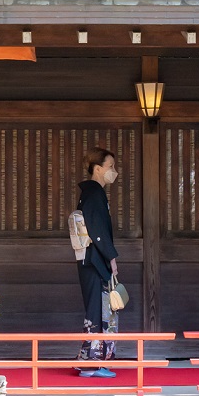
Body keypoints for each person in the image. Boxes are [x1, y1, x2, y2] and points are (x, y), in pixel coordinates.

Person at [75, 148, 120, 379]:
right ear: (98, 168)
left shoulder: (91, 193)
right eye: (111, 166)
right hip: (95, 260)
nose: (114, 171)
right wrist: (111, 257)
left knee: (98, 308)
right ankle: (93, 363)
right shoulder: (94, 193)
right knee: (99, 309)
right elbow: (98, 231)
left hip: (90, 259)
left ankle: (90, 359)